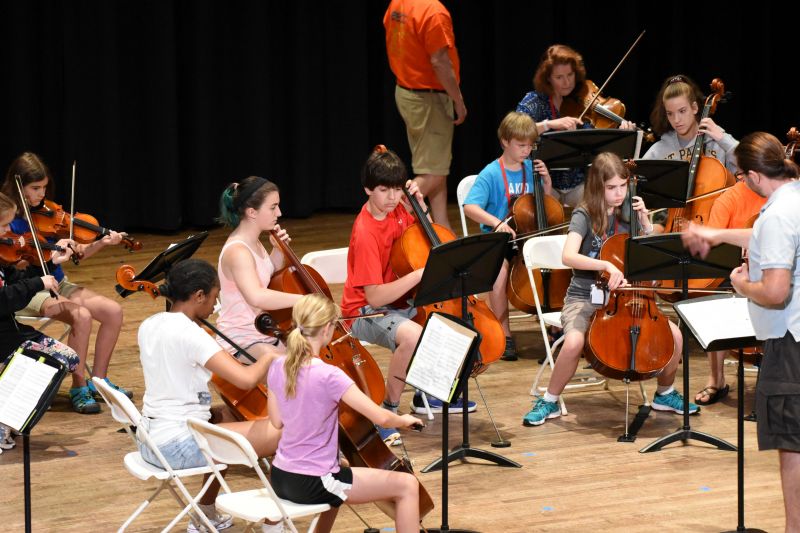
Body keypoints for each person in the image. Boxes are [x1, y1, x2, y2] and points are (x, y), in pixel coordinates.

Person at [522, 152, 698, 427]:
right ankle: (550, 400)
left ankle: (665, 393)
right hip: (584, 294)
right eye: (611, 188)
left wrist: (645, 226)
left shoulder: (630, 212)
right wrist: (605, 263)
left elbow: (647, 258)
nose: (619, 194)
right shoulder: (584, 214)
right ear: (597, 187)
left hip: (626, 297)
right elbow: (569, 256)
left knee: (674, 336)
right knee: (574, 342)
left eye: (623, 186)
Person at [682, 132, 800, 532]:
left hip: (789, 344)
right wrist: (717, 235)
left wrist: (741, 285)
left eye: (739, 175)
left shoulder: (780, 213)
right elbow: (763, 235)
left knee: (792, 444)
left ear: (752, 175)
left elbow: (775, 291)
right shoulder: (792, 198)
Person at [341, 146, 475, 446]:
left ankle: (428, 392)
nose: (391, 197)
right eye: (383, 190)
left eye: (396, 189)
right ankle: (386, 412)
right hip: (364, 312)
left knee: (451, 320)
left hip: (402, 299)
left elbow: (424, 236)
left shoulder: (401, 205)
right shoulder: (365, 233)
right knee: (414, 336)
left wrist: (418, 204)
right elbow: (374, 298)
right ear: (367, 190)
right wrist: (418, 276)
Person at [137, 258, 281, 533]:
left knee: (228, 415)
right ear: (198, 295)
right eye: (213, 299)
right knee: (285, 432)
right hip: (177, 447)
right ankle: (275, 523)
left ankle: (205, 515)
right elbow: (246, 378)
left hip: (149, 439)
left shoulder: (150, 323)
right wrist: (272, 355)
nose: (214, 307)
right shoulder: (194, 335)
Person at [267, 293, 422, 533]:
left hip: (280, 476)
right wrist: (404, 420)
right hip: (313, 481)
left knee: (340, 473)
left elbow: (277, 421)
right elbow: (381, 417)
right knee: (407, 485)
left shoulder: (277, 365)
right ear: (328, 328)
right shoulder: (329, 375)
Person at [1, 152, 130, 414]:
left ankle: (99, 382)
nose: (41, 194)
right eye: (35, 188)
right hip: (31, 290)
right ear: (19, 186)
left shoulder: (47, 213)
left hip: (57, 283)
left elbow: (75, 253)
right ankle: (79, 386)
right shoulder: (7, 220)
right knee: (81, 316)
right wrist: (39, 262)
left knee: (113, 311)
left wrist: (100, 242)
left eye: (44, 187)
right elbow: (16, 268)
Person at [463, 111, 552, 361]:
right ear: (505, 142)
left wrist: (546, 183)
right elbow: (470, 207)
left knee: (553, 267)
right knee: (500, 274)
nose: (527, 150)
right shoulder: (491, 173)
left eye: (530, 145)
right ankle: (505, 334)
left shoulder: (531, 169)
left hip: (528, 237)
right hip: (499, 240)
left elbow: (547, 204)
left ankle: (554, 329)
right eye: (521, 145)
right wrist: (497, 222)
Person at [0, 191, 80, 450]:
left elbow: (13, 282)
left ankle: (9, 418)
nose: (7, 231)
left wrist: (47, 264)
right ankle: (5, 421)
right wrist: (38, 282)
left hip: (9, 332)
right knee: (58, 361)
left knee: (68, 358)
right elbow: (4, 299)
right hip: (4, 338)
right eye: (3, 225)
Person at [516, 44, 635, 207]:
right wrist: (548, 124)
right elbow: (514, 131)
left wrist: (621, 133)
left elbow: (599, 144)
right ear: (548, 78)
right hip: (543, 182)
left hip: (579, 183)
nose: (566, 82)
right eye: (559, 77)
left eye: (570, 75)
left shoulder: (582, 98)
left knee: (608, 202)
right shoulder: (535, 101)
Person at [384, 0, 466, 231]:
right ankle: (387, 226)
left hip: (407, 91)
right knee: (433, 173)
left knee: (436, 168)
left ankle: (443, 233)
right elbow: (440, 61)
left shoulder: (399, 3)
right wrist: (457, 100)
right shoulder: (433, 11)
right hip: (429, 98)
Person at [693, 174, 766, 406]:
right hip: (737, 272)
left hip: (776, 274)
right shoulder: (729, 198)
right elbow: (713, 243)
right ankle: (716, 380)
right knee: (714, 303)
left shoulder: (784, 196)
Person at [216, 176, 301, 363]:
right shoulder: (238, 251)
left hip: (264, 330)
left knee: (308, 358)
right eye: (272, 207)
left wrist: (278, 251)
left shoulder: (254, 242)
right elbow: (256, 296)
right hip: (241, 339)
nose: (279, 212)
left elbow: (267, 277)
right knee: (294, 370)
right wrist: (305, 300)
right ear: (252, 212)